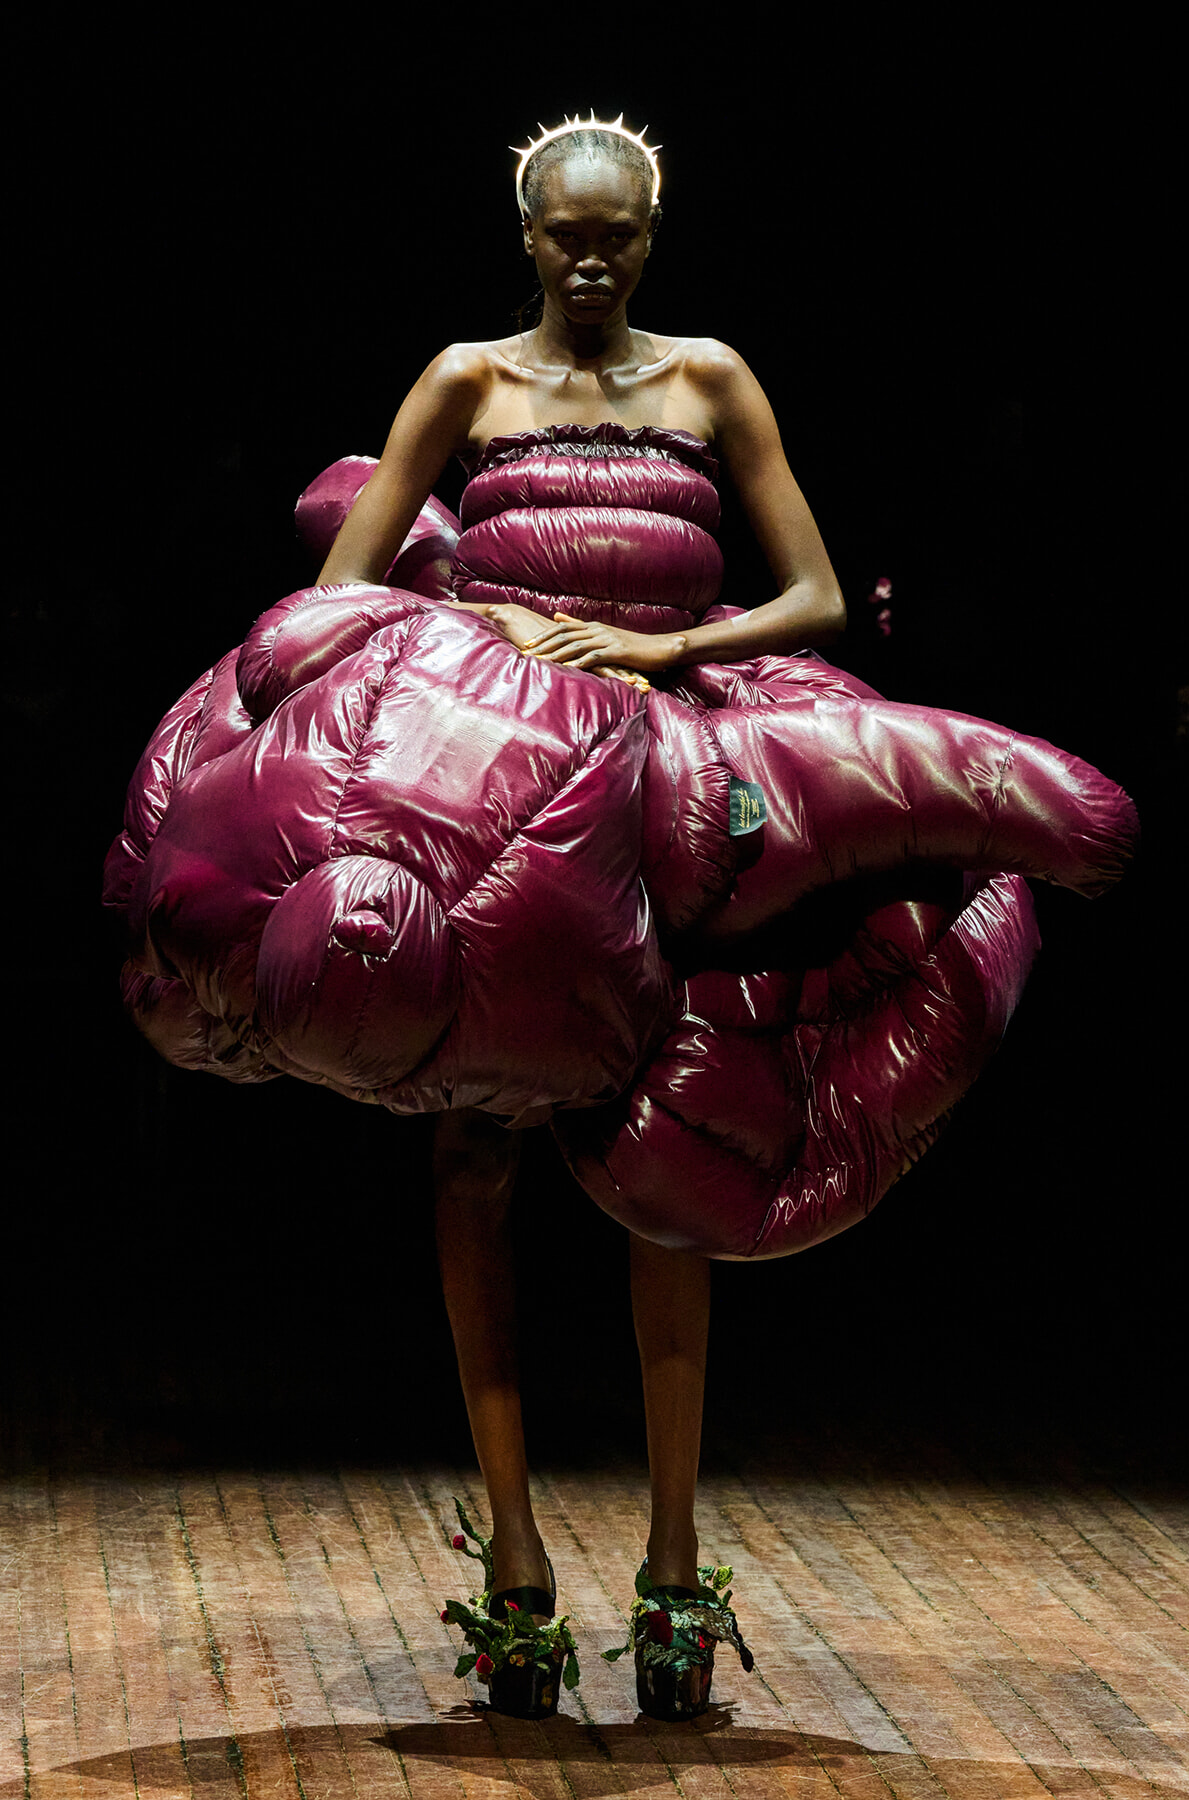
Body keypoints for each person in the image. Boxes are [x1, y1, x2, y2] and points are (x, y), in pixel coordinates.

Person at [313, 114, 847, 1719]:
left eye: (619, 233)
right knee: (476, 1155)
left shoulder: (712, 380)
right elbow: (346, 588)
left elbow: (815, 589)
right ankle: (518, 1565)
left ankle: (675, 1566)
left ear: (654, 229)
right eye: (568, 233)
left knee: (660, 1173)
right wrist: (488, 630)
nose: (594, 256)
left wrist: (664, 655)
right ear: (528, 229)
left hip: (665, 793)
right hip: (498, 795)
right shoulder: (467, 381)